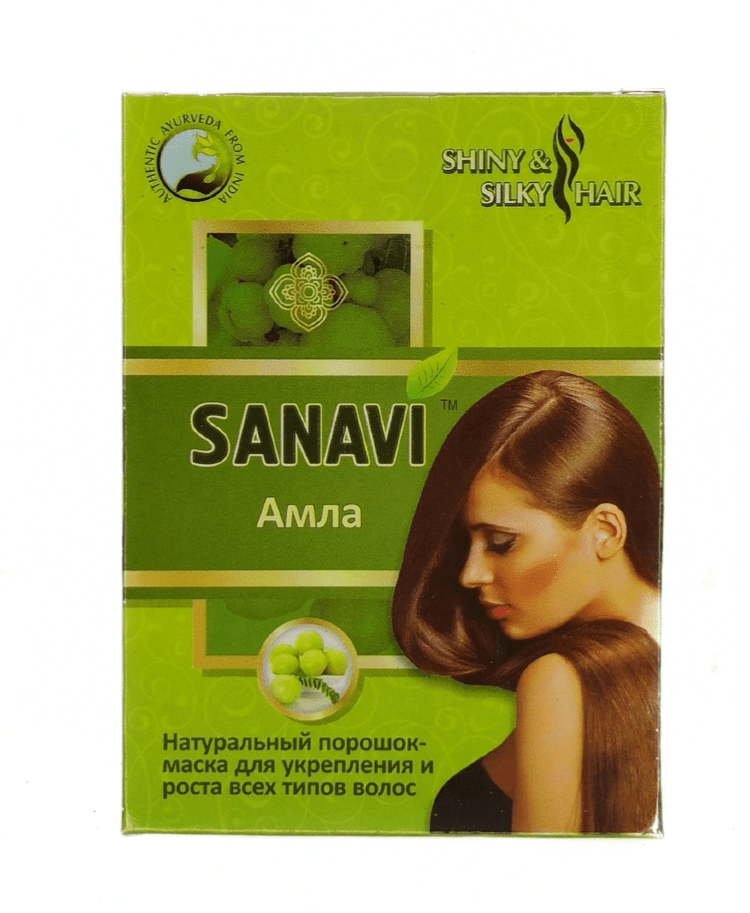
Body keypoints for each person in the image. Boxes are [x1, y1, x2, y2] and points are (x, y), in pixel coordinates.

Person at [391, 370, 660, 834]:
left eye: (501, 542)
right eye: (466, 543)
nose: (470, 574)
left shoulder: (558, 680)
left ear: (605, 531)